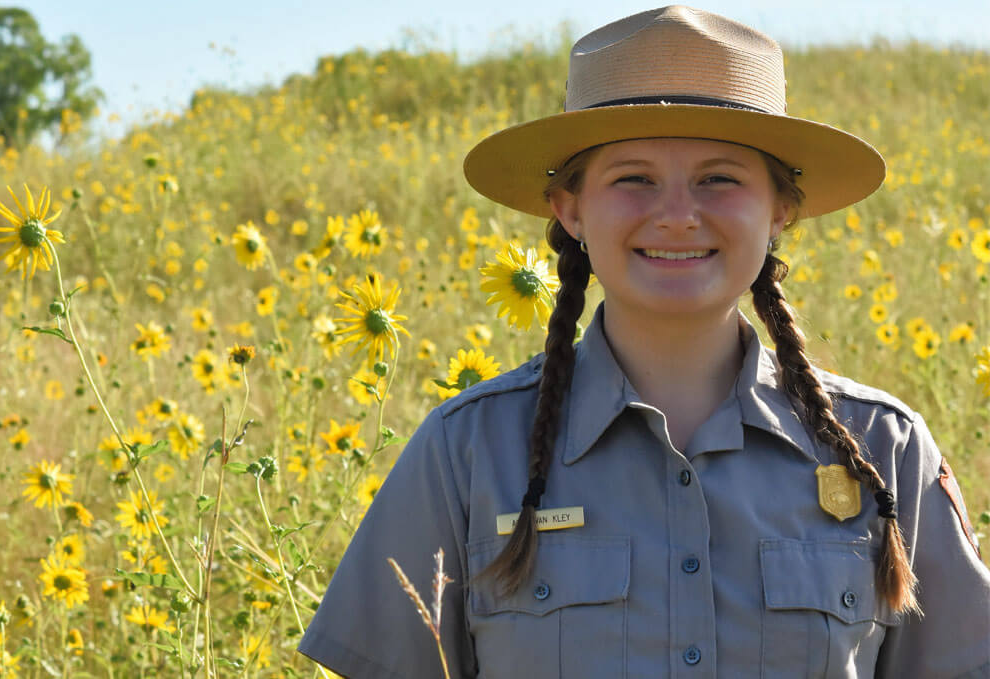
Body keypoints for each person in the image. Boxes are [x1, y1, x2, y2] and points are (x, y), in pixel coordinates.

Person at [298, 6, 990, 678]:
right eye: (634, 179)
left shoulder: (884, 451)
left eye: (720, 178)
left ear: (781, 209)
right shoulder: (467, 453)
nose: (678, 216)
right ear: (570, 208)